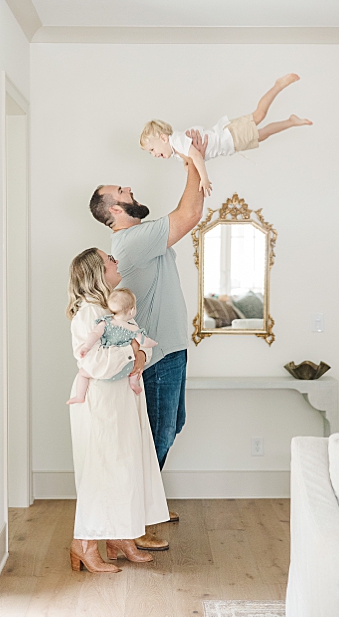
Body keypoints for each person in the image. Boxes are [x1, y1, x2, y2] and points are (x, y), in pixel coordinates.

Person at [88, 148, 207, 551]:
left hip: (171, 350)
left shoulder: (138, 236)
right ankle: (129, 524)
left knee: (171, 426)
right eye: (121, 190)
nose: (130, 188)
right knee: (155, 437)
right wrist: (194, 159)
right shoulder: (132, 239)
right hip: (156, 359)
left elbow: (184, 212)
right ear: (113, 212)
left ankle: (147, 507)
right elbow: (189, 213)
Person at [66, 248, 169, 573]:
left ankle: (120, 537)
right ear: (98, 270)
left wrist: (137, 355)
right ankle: (83, 545)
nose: (116, 262)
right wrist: (133, 354)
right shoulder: (89, 313)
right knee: (103, 471)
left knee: (125, 468)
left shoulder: (114, 307)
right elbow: (95, 363)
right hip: (102, 403)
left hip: (123, 399)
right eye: (110, 259)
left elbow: (140, 346)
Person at [139, 73, 312, 196]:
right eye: (151, 153)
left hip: (229, 136)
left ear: (163, 138)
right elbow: (189, 163)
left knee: (258, 115)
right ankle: (291, 121)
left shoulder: (177, 140)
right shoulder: (176, 151)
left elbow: (197, 157)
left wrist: (205, 179)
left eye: (152, 149)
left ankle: (278, 85)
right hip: (231, 144)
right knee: (263, 135)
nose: (154, 155)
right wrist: (187, 164)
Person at [67, 287, 158, 404]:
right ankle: (133, 383)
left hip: (108, 372)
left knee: (82, 374)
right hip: (125, 370)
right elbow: (145, 342)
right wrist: (153, 343)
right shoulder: (133, 328)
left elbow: (94, 334)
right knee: (134, 369)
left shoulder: (105, 322)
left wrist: (86, 347)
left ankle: (79, 396)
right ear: (131, 311)